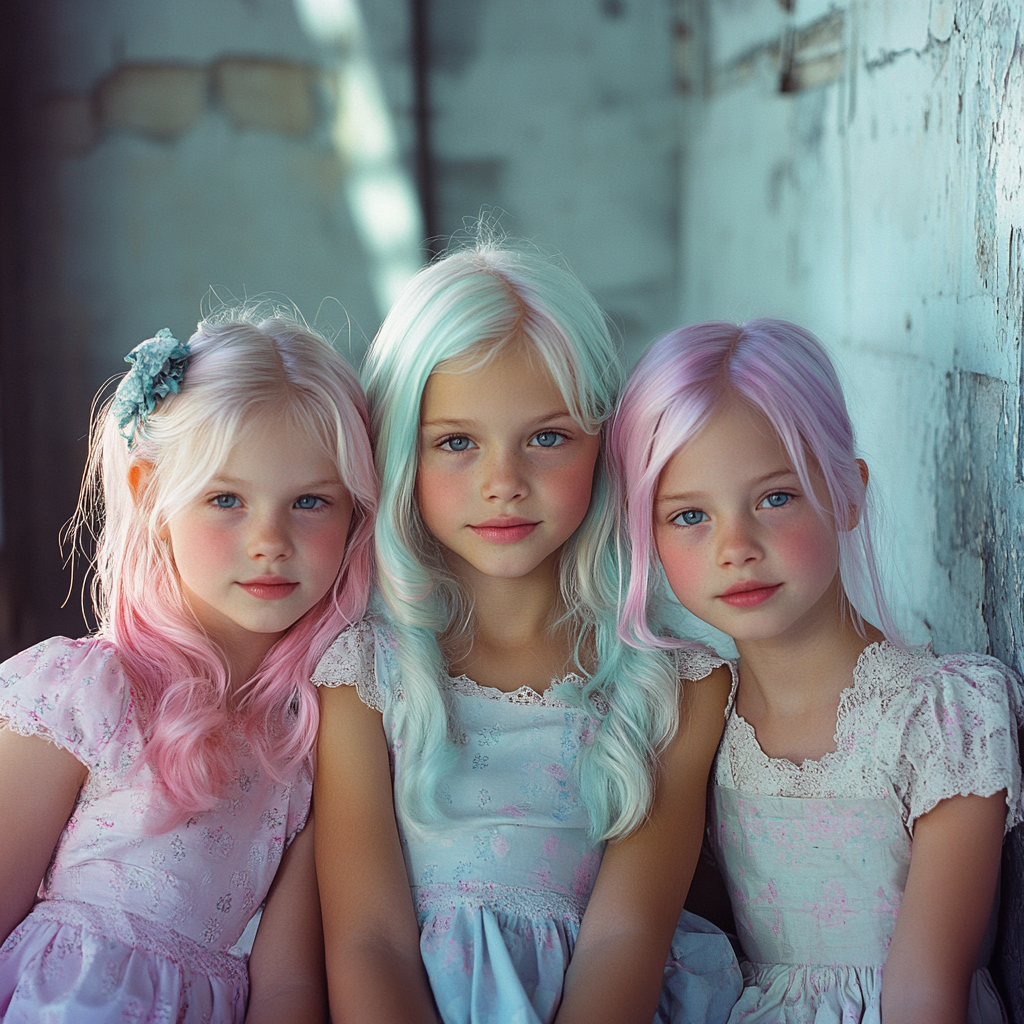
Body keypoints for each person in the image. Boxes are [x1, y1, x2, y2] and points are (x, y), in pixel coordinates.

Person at [312, 243, 743, 1024]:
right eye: (456, 442)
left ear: (604, 444)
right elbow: (366, 937)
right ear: (399, 449)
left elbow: (628, 935)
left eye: (547, 437)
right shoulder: (363, 671)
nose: (502, 480)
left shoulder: (677, 684)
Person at [610, 317, 1024, 1024]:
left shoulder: (945, 712)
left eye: (776, 498)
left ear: (848, 492)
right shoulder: (699, 712)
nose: (735, 546)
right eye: (688, 516)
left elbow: (929, 989)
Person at [0, 313, 377, 1023]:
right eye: (225, 499)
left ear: (355, 515)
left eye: (310, 502)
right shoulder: (90, 694)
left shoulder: (308, 747)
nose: (270, 541)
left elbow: (289, 986)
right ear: (153, 497)